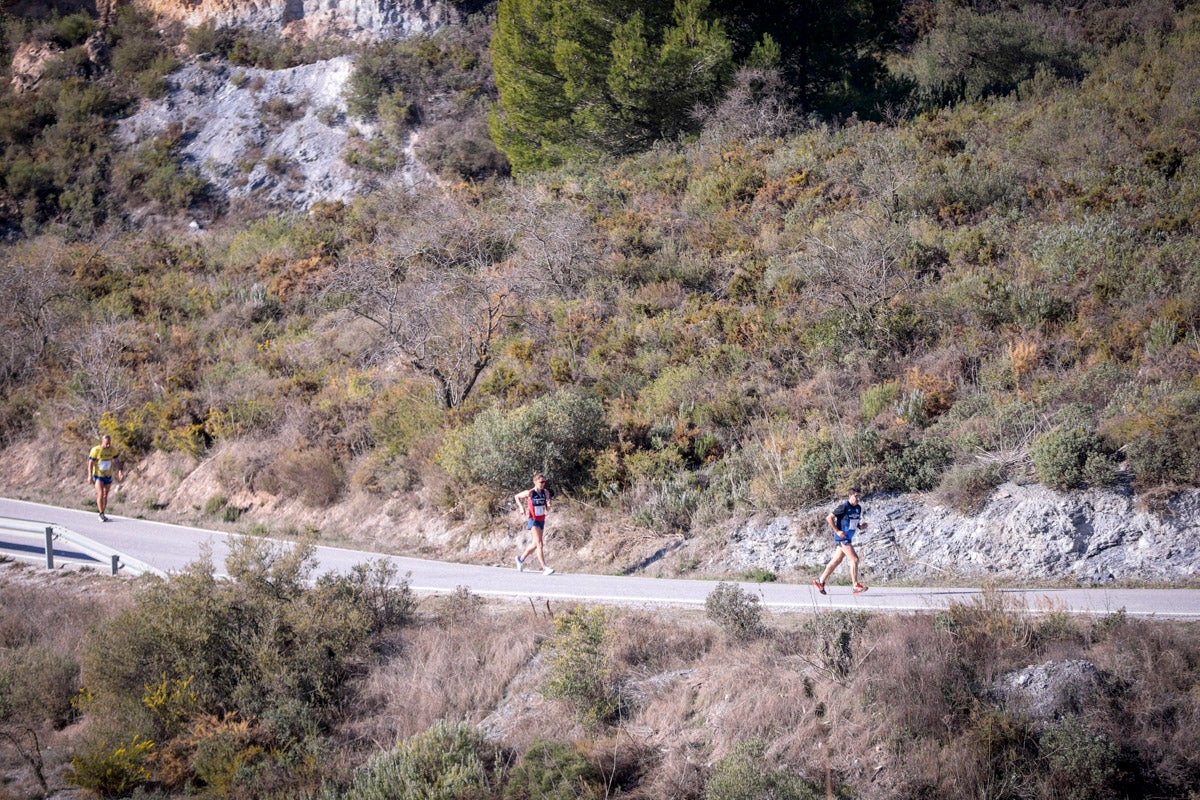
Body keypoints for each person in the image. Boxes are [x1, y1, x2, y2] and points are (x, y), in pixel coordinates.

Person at [813, 488, 868, 595]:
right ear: (849, 496)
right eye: (856, 496)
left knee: (837, 560)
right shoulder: (844, 506)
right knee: (855, 559)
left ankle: (820, 581)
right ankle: (855, 585)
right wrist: (837, 531)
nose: (858, 498)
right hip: (842, 538)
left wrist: (860, 527)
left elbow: (853, 520)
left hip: (848, 538)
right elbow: (829, 518)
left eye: (859, 496)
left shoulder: (858, 508)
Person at [514, 473, 554, 575]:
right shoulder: (530, 493)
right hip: (533, 520)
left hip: (541, 519)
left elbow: (547, 505)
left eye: (544, 482)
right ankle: (544, 568)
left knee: (535, 544)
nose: (542, 484)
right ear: (535, 482)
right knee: (540, 544)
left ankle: (521, 559)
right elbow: (516, 496)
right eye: (541, 482)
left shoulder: (545, 492)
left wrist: (548, 504)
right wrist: (521, 507)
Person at [87, 434, 124, 522]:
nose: (108, 445)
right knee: (100, 493)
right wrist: (89, 476)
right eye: (106, 443)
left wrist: (120, 471)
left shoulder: (112, 450)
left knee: (105, 495)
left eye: (109, 443)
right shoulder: (95, 450)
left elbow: (117, 461)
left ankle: (103, 512)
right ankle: (101, 514)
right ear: (102, 442)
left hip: (108, 475)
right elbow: (90, 463)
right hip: (98, 475)